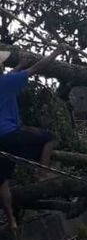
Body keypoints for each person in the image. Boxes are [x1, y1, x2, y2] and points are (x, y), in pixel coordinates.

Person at [0, 47, 64, 230]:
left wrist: (20, 64)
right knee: (50, 138)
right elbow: (38, 68)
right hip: (9, 135)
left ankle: (11, 220)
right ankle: (43, 172)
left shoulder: (7, 81)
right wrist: (55, 53)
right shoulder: (6, 82)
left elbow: (12, 76)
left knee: (2, 181)